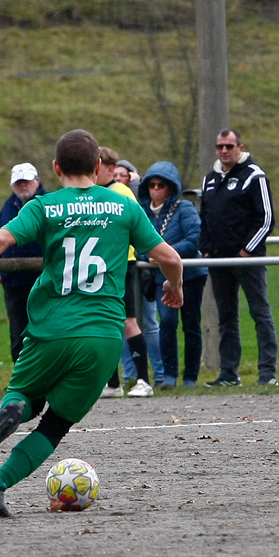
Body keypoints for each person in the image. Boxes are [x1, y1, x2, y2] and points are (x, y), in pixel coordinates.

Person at [0, 129, 184, 518]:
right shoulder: (125, 208)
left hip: (50, 328)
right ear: (99, 168)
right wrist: (174, 288)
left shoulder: (44, 207)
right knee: (56, 424)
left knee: (23, 396)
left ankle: (14, 409)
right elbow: (171, 258)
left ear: (56, 168)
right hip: (101, 335)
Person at [199, 128, 278, 387]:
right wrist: (207, 248)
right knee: (226, 317)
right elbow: (205, 218)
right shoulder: (209, 179)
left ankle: (268, 373)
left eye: (229, 146)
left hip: (248, 260)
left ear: (240, 148)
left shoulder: (255, 176)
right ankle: (229, 373)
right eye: (220, 146)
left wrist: (247, 250)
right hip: (219, 261)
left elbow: (266, 219)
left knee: (260, 313)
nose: (224, 151)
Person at [138, 161, 208, 388]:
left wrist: (167, 254)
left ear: (171, 187)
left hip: (191, 275)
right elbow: (137, 243)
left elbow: (194, 240)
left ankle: (190, 378)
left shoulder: (184, 208)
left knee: (191, 324)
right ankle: (169, 376)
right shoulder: (143, 213)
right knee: (166, 322)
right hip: (161, 278)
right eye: (152, 185)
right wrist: (146, 256)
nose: (156, 189)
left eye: (161, 185)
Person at [96, 147, 155, 398]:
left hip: (122, 263)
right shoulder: (99, 193)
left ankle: (144, 380)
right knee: (106, 321)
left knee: (128, 321)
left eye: (97, 167)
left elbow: (138, 225)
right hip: (104, 264)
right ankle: (112, 383)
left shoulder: (120, 192)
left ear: (108, 168)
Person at [0, 162, 46, 362]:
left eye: (27, 181)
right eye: (19, 182)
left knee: (43, 330)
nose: (23, 186)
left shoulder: (48, 203)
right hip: (14, 281)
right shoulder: (8, 206)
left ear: (37, 181)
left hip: (43, 281)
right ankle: (21, 378)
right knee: (17, 333)